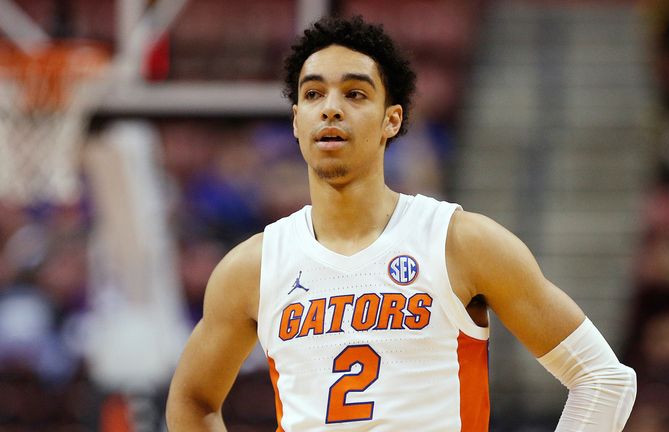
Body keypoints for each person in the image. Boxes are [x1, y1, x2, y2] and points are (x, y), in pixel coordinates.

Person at [166, 16, 637, 431]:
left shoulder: (461, 241)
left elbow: (603, 379)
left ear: (392, 119)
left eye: (354, 93)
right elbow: (192, 402)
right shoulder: (252, 267)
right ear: (296, 120)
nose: (330, 107)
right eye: (313, 94)